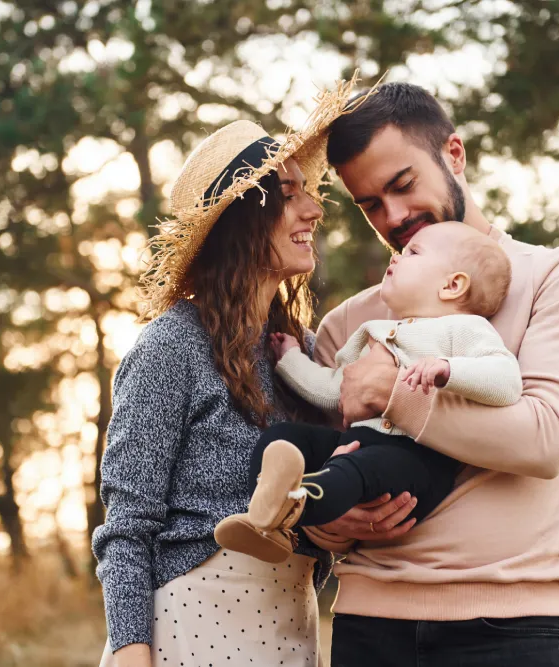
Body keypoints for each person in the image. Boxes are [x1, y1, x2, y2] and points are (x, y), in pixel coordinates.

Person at [304, 82, 559, 666]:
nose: (394, 217)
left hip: (513, 633)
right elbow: (315, 477)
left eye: (402, 185)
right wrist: (328, 523)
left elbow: (546, 439)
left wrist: (394, 394)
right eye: (370, 203)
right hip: (366, 628)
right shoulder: (348, 322)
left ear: (454, 155)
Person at [92, 80, 370, 667]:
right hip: (190, 627)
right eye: (288, 193)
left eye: (308, 191)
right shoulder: (172, 345)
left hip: (292, 630)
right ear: (244, 217)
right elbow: (127, 526)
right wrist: (129, 652)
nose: (314, 208)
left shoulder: (301, 352)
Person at [214, 221, 521, 563]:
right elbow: (335, 390)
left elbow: (506, 379)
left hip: (416, 460)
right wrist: (290, 360)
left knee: (352, 470)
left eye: (412, 253)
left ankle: (297, 505)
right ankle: (266, 518)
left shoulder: (464, 329)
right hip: (363, 442)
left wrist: (449, 369)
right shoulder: (377, 332)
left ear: (452, 285)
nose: (396, 258)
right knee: (286, 436)